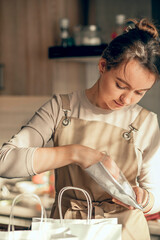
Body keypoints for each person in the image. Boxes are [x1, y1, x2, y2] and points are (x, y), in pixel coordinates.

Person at [0, 18, 160, 239]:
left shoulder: (147, 122)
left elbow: (155, 197)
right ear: (103, 66)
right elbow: (5, 161)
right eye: (120, 85)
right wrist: (77, 153)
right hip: (68, 230)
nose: (127, 98)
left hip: (126, 232)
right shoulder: (61, 108)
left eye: (139, 92)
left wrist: (145, 198)